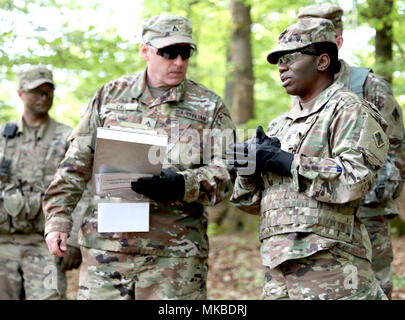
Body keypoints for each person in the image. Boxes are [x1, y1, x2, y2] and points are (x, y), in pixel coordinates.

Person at [42, 14, 236, 300]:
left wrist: (183, 184)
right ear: (145, 51)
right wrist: (57, 218)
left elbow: (228, 173)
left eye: (186, 52)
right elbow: (75, 164)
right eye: (169, 52)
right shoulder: (109, 97)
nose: (179, 61)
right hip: (107, 255)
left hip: (175, 259)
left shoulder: (209, 106)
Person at [228, 18, 389, 299]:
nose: (281, 65)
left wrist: (289, 163)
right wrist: (248, 170)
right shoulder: (280, 125)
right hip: (277, 270)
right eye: (278, 59)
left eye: (290, 57)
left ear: (322, 61)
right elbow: (251, 204)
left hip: (333, 268)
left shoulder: (349, 110)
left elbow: (356, 178)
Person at [297, 3, 405, 299]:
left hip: (365, 211)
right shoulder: (300, 88)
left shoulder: (367, 86)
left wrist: (373, 193)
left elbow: (395, 150)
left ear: (338, 41)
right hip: (315, 213)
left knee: (373, 286)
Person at [0, 64, 86, 299]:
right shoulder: (3, 137)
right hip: (2, 242)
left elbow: (82, 190)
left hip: (43, 243)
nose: (44, 97)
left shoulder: (67, 137)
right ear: (20, 94)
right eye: (37, 92)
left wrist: (75, 241)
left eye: (48, 92)